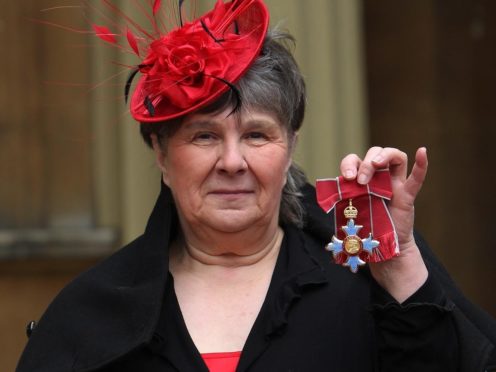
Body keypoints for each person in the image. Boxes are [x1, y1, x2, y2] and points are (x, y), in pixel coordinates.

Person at [16, 1, 496, 371]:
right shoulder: (90, 312)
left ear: (290, 147)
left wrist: (402, 269)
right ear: (162, 154)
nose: (232, 162)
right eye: (204, 136)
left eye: (256, 135)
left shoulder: (367, 282)